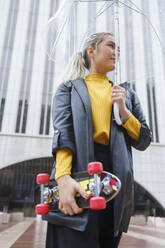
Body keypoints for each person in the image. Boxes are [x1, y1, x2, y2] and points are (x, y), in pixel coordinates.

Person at [45, 32, 152, 248]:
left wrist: (124, 111)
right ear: (91, 51)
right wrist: (63, 178)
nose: (116, 52)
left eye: (118, 48)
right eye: (111, 45)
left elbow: (144, 140)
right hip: (78, 172)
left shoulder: (126, 94)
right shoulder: (68, 89)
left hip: (115, 181)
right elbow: (64, 135)